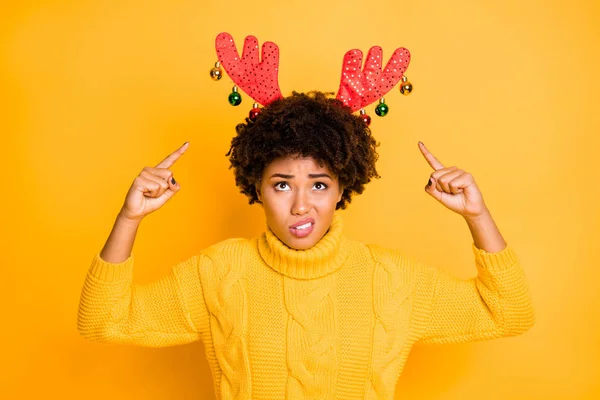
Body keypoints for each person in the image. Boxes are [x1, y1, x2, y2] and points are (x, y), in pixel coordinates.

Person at [77, 91, 535, 400]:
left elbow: (509, 313)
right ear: (256, 187)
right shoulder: (218, 271)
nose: (301, 205)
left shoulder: (394, 280)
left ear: (342, 189)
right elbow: (103, 321)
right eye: (281, 185)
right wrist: (129, 218)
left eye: (319, 184)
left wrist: (477, 216)